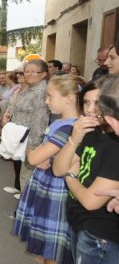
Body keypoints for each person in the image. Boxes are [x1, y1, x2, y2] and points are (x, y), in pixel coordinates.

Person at [12, 74, 85, 264]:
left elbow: (35, 156)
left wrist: (35, 153)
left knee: (51, 246)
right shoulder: (62, 123)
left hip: (56, 189)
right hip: (47, 184)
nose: (46, 101)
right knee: (44, 245)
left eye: (50, 96)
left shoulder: (69, 127)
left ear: (69, 98)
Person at [53, 76, 119, 263]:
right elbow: (58, 169)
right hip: (80, 224)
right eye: (86, 103)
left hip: (101, 235)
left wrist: (71, 177)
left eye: (97, 103)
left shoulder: (115, 145)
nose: (90, 110)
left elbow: (91, 201)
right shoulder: (91, 133)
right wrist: (75, 137)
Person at [3, 60, 50, 197]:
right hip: (22, 140)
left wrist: (32, 147)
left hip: (31, 143)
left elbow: (39, 121)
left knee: (28, 179)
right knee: (24, 177)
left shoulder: (41, 92)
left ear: (43, 74)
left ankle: (25, 215)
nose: (28, 74)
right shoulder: (30, 89)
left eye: (33, 71)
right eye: (26, 71)